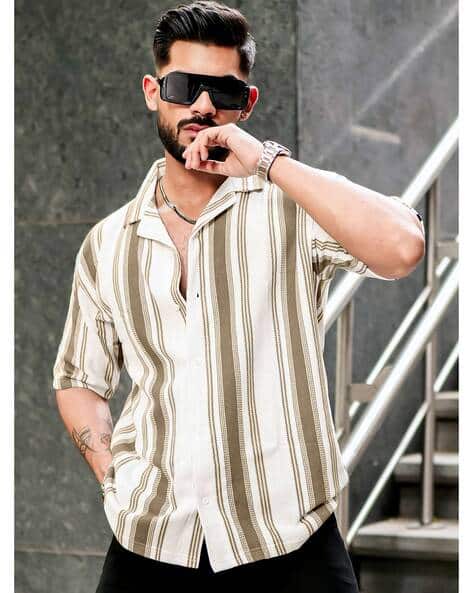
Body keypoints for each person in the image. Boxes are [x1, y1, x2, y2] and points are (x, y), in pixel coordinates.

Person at [52, 1, 425, 591]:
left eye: (222, 91)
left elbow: (403, 247)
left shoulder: (292, 208)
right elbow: (78, 379)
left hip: (288, 544)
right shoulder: (108, 242)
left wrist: (267, 161)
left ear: (246, 104)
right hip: (150, 540)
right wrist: (113, 477)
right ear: (153, 91)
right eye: (184, 86)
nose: (202, 105)